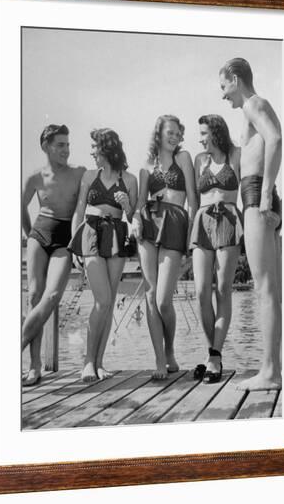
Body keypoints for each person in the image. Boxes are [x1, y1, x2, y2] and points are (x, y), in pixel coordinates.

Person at [219, 57, 282, 391]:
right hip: (255, 192)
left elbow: (275, 139)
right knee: (271, 288)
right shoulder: (250, 110)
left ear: (235, 78)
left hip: (257, 193)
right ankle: (275, 366)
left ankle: (270, 372)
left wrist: (267, 194)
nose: (223, 95)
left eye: (224, 87)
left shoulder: (254, 103)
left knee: (265, 288)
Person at [68, 128, 138, 382]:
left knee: (108, 305)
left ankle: (99, 363)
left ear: (107, 149)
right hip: (90, 232)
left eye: (95, 148)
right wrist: (73, 245)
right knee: (103, 299)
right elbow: (78, 211)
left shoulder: (129, 179)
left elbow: (133, 217)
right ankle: (87, 361)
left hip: (118, 235)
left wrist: (127, 204)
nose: (91, 153)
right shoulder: (89, 175)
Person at [132, 115, 196, 380]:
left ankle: (170, 349)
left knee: (163, 300)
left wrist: (191, 238)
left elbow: (192, 199)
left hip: (176, 223)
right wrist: (135, 219)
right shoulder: (146, 165)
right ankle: (159, 359)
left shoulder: (183, 158)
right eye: (170, 132)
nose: (175, 136)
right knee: (149, 294)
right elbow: (139, 203)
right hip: (149, 225)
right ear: (158, 134)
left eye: (178, 133)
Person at [21, 124, 85, 386]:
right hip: (39, 233)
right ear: (46, 146)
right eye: (60, 145)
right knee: (34, 295)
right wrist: (29, 234)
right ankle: (35, 366)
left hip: (63, 239)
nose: (66, 150)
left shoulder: (78, 173)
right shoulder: (35, 177)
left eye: (68, 144)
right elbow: (20, 206)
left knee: (53, 295)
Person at [190, 115, 242, 383]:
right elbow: (191, 200)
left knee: (222, 290)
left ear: (216, 133)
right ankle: (214, 354)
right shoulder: (200, 160)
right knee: (200, 291)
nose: (199, 138)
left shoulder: (236, 154)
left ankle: (213, 357)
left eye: (203, 133)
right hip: (202, 221)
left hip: (229, 220)